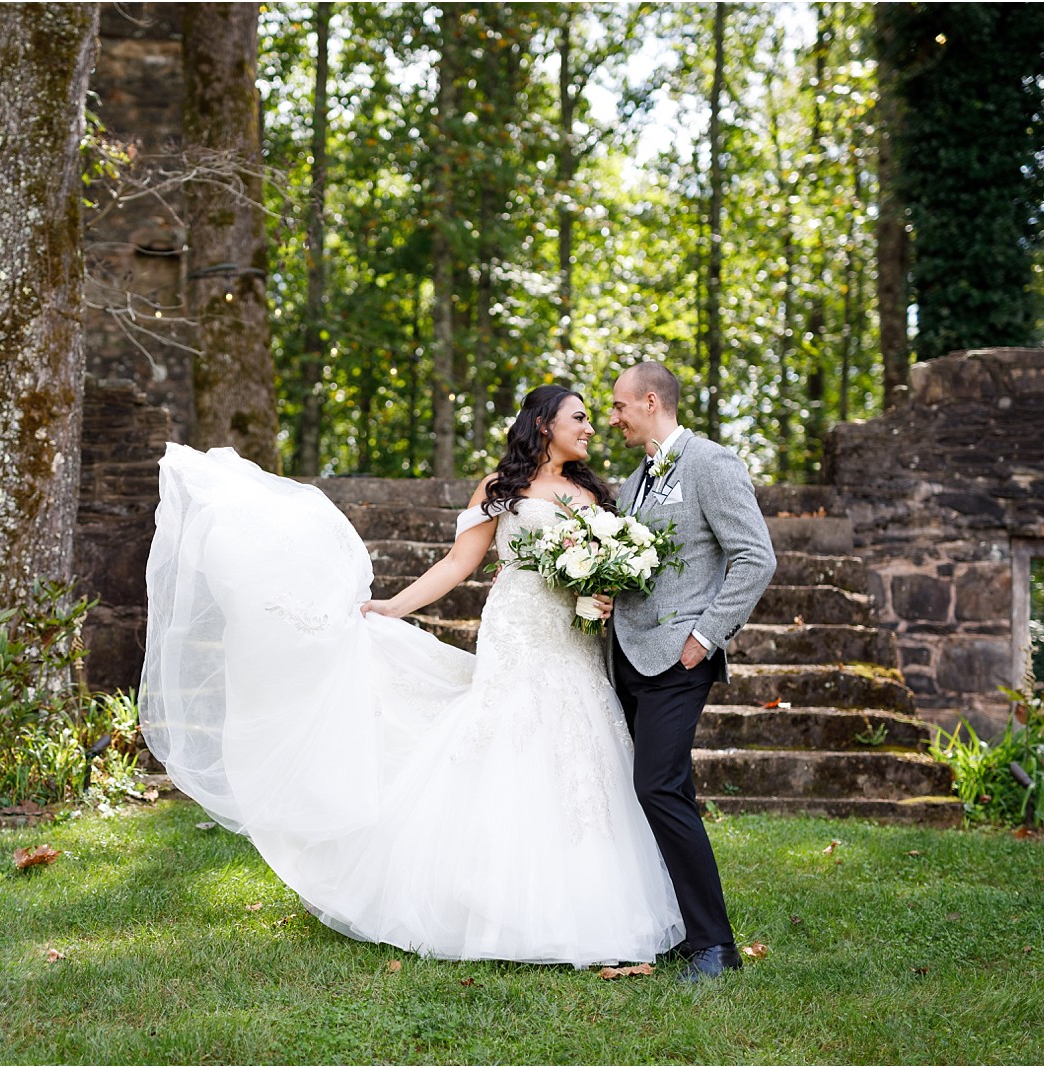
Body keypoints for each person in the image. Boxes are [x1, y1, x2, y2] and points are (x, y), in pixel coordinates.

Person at [141, 384, 683, 966]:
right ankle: (494, 898)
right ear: (544, 423)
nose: (591, 428)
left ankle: (590, 900)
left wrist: (599, 592)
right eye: (579, 417)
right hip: (519, 631)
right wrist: (393, 607)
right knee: (514, 738)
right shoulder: (502, 490)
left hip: (574, 640)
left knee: (583, 747)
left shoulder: (598, 493)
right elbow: (458, 562)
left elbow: (610, 568)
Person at [606, 361, 776, 981]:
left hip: (681, 657)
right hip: (627, 656)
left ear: (651, 402)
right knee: (668, 790)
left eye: (621, 406)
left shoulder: (711, 464)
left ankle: (714, 946)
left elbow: (755, 557)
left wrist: (705, 637)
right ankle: (688, 931)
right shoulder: (631, 485)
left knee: (655, 787)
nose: (613, 418)